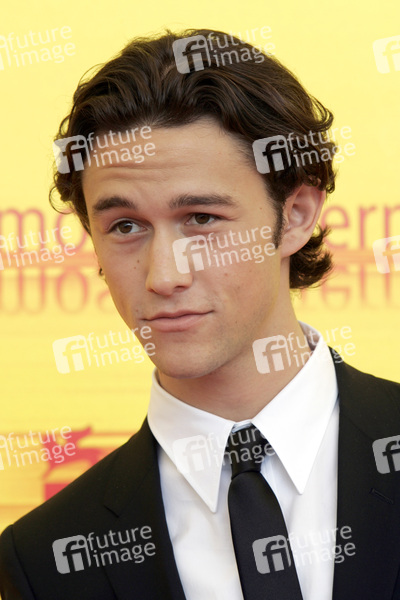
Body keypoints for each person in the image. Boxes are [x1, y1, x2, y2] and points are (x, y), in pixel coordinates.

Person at [1, 28, 400, 600]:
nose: (164, 276)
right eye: (125, 226)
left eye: (202, 219)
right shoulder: (44, 557)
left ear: (294, 215)